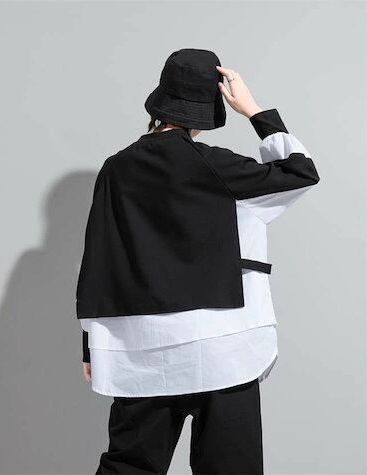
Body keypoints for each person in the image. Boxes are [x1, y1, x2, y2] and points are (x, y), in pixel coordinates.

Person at [76, 48, 320, 474]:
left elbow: (100, 257)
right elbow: (300, 172)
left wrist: (91, 345)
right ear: (209, 106)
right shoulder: (215, 166)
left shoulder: (116, 168)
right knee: (230, 468)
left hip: (142, 348)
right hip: (222, 345)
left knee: (129, 467)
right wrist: (255, 111)